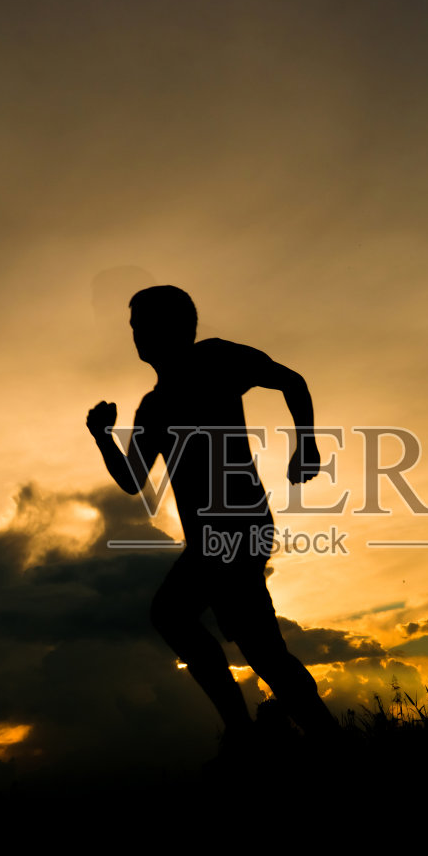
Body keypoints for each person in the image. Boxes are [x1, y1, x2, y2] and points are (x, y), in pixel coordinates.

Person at [86, 285, 339, 749]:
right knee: (252, 644)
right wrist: (103, 436)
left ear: (178, 327)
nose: (138, 335)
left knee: (189, 620)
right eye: (134, 327)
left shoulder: (217, 359)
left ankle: (267, 735)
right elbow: (132, 479)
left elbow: (291, 381)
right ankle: (291, 735)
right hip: (211, 539)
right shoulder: (154, 406)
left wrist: (308, 442)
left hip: (239, 527)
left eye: (145, 325)